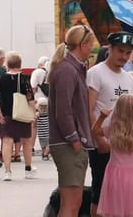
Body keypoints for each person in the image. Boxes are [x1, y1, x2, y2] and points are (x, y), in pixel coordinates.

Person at [87, 32, 133, 215]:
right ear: (110, 49)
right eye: (120, 51)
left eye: (128, 53)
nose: (124, 56)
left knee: (125, 193)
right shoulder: (94, 73)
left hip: (124, 145)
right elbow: (89, 109)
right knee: (100, 191)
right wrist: (99, 140)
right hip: (102, 144)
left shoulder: (129, 79)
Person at [48, 24, 96, 217]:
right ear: (83, 44)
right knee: (71, 203)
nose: (92, 48)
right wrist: (74, 139)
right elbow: (63, 110)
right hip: (68, 143)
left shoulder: (70, 68)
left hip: (69, 142)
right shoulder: (68, 70)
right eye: (90, 44)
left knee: (73, 202)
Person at [92, 95, 133, 217]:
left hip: (114, 173)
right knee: (132, 210)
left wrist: (102, 117)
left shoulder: (113, 129)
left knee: (115, 209)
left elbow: (95, 131)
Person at [0, 51, 36, 181]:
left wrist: (0, 113)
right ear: (20, 64)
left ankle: (8, 171)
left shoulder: (1, 78)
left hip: (7, 114)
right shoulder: (24, 79)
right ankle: (28, 169)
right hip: (22, 114)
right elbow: (30, 98)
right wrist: (33, 113)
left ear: (7, 64)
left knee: (7, 141)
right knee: (26, 141)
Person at [30, 55, 51, 161]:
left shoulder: (36, 72)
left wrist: (30, 101)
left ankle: (31, 147)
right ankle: (46, 149)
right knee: (48, 125)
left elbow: (33, 88)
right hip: (49, 102)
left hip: (38, 102)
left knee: (34, 125)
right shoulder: (51, 72)